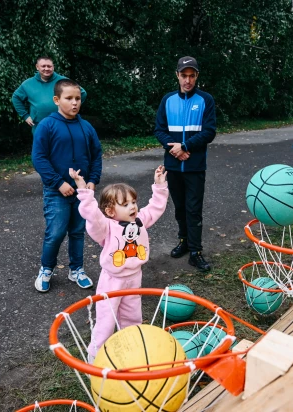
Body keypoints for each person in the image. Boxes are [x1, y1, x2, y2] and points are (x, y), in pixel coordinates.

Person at [71, 166, 168, 360]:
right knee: (106, 320)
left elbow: (156, 207)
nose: (133, 207)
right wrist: (83, 191)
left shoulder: (139, 220)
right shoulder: (105, 227)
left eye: (133, 202)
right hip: (112, 280)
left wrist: (159, 185)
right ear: (110, 211)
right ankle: (95, 357)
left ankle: (131, 351)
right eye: (125, 204)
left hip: (134, 277)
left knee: (133, 317)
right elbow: (92, 214)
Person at [32, 79, 102, 292]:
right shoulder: (47, 125)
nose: (74, 103)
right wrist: (59, 183)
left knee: (78, 231)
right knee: (56, 232)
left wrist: (92, 181)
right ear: (56, 100)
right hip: (57, 192)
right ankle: (46, 269)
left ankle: (77, 269)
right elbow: (39, 158)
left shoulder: (86, 126)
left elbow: (96, 155)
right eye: (69, 98)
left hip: (82, 193)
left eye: (77, 99)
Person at [154, 56, 216, 271]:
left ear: (197, 76)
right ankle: (184, 242)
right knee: (180, 208)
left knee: (193, 209)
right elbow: (159, 130)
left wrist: (185, 146)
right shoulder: (167, 100)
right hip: (173, 165)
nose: (187, 80)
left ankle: (196, 251)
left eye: (192, 76)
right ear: (177, 75)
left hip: (195, 166)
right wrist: (175, 149)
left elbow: (209, 132)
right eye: (184, 75)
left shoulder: (205, 99)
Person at [12, 56, 87, 133]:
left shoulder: (63, 81)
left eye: (49, 66)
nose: (46, 69)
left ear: (53, 67)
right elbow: (16, 98)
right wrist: (25, 116)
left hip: (63, 124)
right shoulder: (28, 84)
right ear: (37, 67)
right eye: (43, 66)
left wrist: (71, 108)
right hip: (39, 125)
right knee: (41, 144)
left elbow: (82, 93)